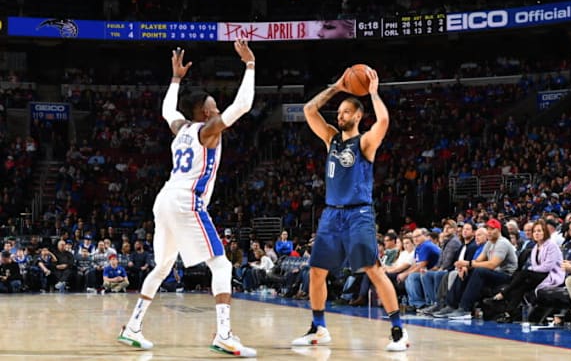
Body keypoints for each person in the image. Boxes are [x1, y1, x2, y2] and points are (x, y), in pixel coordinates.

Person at [118, 39, 257, 357]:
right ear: (207, 111)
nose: (219, 111)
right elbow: (243, 106)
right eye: (215, 108)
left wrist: (176, 79)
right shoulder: (208, 130)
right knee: (221, 266)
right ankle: (224, 334)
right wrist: (249, 65)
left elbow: (168, 110)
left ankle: (133, 328)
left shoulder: (180, 127)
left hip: (165, 199)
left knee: (163, 266)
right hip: (186, 200)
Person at [291, 67, 409, 351]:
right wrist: (336, 87)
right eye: (339, 111)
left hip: (359, 213)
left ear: (357, 116)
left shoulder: (365, 143)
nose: (340, 115)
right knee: (316, 271)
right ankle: (319, 327)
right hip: (332, 213)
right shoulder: (330, 138)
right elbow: (309, 110)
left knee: (373, 269)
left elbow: (383, 120)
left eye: (346, 111)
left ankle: (398, 331)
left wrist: (372, 92)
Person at [491, 220, 564, 322]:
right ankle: (508, 314)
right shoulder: (535, 247)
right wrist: (532, 270)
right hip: (539, 275)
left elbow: (548, 266)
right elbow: (535, 266)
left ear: (545, 232)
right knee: (521, 285)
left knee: (524, 274)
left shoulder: (552, 245)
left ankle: (504, 293)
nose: (537, 233)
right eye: (535, 231)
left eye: (539, 231)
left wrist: (531, 270)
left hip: (552, 275)